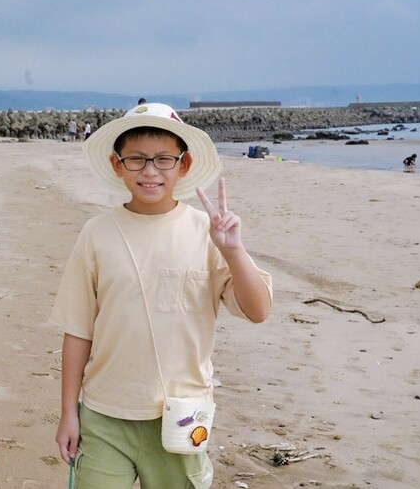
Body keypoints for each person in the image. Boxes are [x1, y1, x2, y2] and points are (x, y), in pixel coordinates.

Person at [51, 103, 272, 488]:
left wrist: (233, 250)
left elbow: (258, 310)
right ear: (117, 165)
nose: (150, 171)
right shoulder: (96, 233)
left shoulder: (208, 232)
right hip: (105, 413)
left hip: (182, 415)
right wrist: (69, 411)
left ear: (183, 166)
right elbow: (77, 330)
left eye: (163, 159)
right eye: (136, 159)